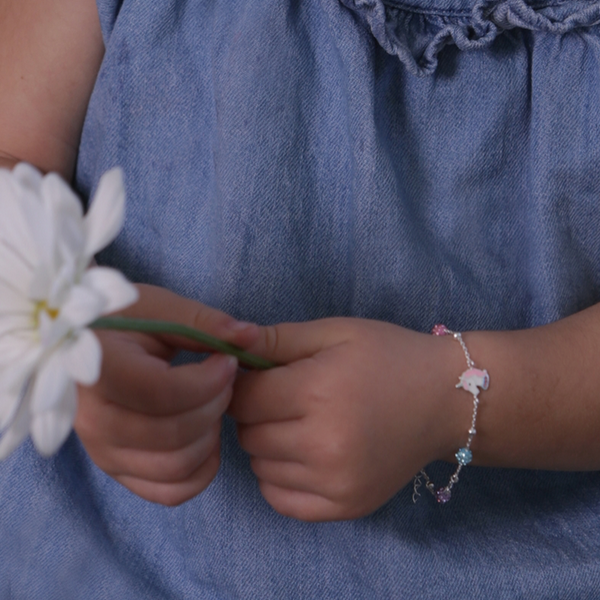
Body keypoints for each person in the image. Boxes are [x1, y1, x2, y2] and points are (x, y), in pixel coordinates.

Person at [2, 0, 600, 596]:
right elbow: (13, 154)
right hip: (101, 547)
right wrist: (77, 348)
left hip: (506, 556)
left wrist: (451, 398)